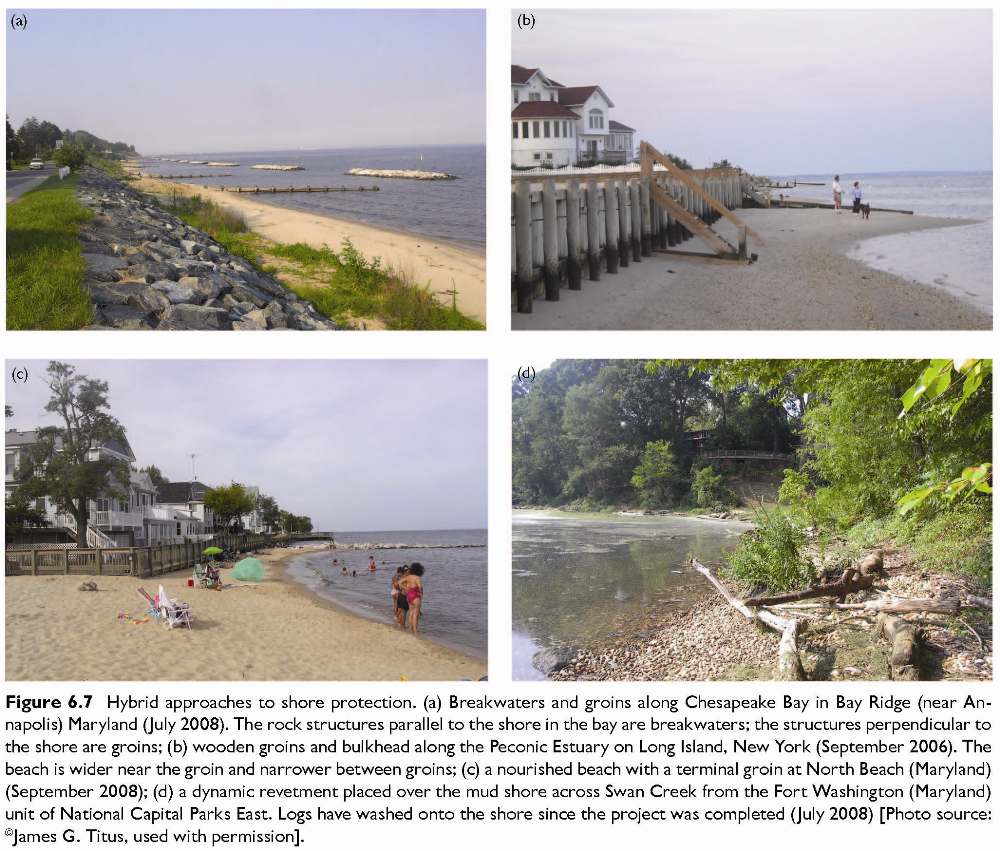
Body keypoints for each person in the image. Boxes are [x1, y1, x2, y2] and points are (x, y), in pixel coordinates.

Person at [399, 563, 424, 635]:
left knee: (411, 613)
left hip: (409, 595)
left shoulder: (408, 577)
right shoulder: (417, 578)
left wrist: (405, 588)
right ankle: (415, 630)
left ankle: (411, 629)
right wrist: (421, 594)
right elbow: (420, 587)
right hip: (415, 595)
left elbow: (399, 582)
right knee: (416, 614)